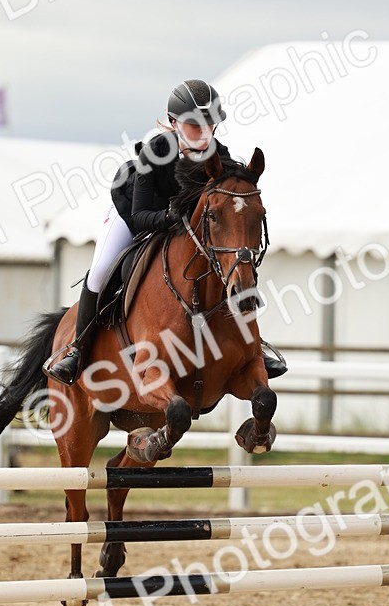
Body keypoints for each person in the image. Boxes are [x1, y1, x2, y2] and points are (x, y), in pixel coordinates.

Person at [43, 79, 287, 384]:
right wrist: (168, 216)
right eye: (194, 125)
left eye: (209, 124)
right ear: (174, 124)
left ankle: (253, 347)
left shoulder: (219, 157)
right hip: (134, 215)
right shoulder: (155, 153)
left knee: (231, 270)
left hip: (181, 229)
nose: (203, 133)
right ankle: (77, 349)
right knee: (102, 270)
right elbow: (140, 215)